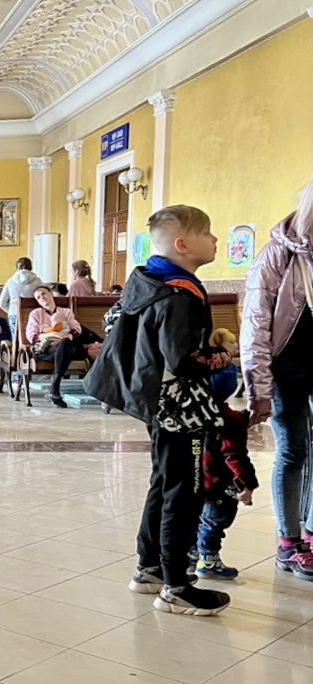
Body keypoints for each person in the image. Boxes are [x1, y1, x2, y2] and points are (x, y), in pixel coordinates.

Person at [85, 205, 236, 616]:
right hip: (179, 408)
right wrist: (223, 356)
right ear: (184, 245)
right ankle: (176, 585)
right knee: (183, 492)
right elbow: (183, 359)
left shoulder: (152, 281)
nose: (216, 240)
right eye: (209, 234)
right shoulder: (179, 296)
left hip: (159, 403)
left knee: (164, 483)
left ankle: (149, 567)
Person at [241, 176, 313, 581]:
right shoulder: (279, 254)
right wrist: (259, 389)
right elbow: (255, 325)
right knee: (293, 450)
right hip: (288, 368)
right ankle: (289, 542)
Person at [187, 355, 256, 580]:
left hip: (196, 481)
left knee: (198, 519)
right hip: (220, 485)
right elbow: (235, 455)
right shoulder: (229, 419)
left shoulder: (194, 413)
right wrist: (247, 483)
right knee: (215, 522)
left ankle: (190, 556)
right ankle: (208, 561)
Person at [25, 286, 81, 408]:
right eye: (38, 297)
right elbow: (32, 336)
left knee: (66, 344)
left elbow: (77, 329)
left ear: (51, 294)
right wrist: (51, 335)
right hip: (44, 350)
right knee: (66, 347)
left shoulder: (66, 312)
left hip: (63, 347)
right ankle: (54, 389)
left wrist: (63, 337)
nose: (42, 297)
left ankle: (54, 387)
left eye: (44, 294)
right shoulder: (36, 313)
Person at [0, 257, 46, 336]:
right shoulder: (37, 281)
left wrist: (11, 311)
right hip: (33, 313)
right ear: (30, 267)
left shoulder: (11, 281)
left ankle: (15, 348)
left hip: (14, 313)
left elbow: (1, 303)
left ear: (18, 267)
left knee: (15, 340)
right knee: (33, 337)